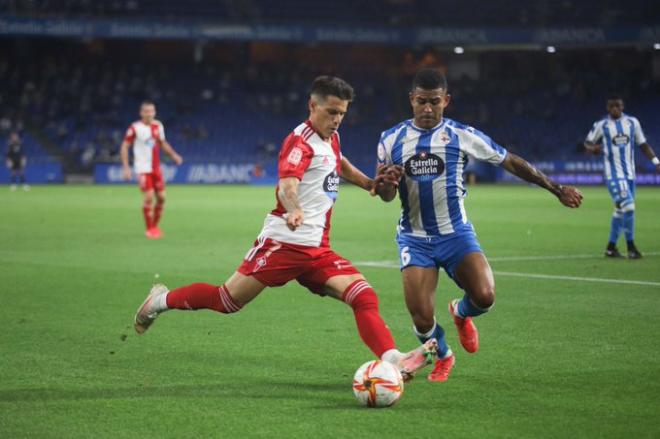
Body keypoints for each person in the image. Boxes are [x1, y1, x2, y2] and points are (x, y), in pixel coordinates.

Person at [133, 76, 437, 380]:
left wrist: (368, 184)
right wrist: (294, 211)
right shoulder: (299, 142)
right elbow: (287, 186)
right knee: (225, 301)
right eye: (332, 112)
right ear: (312, 105)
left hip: (316, 249)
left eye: (342, 113)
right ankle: (159, 300)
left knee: (363, 295)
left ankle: (393, 358)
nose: (337, 120)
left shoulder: (331, 136)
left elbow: (338, 162)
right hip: (284, 244)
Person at [373, 68, 583, 382]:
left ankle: (460, 313)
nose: (428, 109)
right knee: (421, 318)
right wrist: (388, 182)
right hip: (414, 238)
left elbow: (508, 160)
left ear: (447, 100)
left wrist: (555, 188)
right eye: (421, 102)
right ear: (411, 101)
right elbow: (386, 195)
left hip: (456, 234)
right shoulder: (390, 139)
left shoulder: (461, 135)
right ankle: (444, 355)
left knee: (485, 296)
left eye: (435, 102)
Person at [584, 94, 660, 259]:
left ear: (623, 106)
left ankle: (610, 248)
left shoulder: (633, 122)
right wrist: (592, 149)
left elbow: (643, 144)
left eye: (618, 106)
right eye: (612, 106)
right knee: (629, 206)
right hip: (613, 175)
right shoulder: (601, 125)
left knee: (620, 210)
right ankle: (631, 247)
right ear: (608, 108)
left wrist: (656, 161)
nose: (615, 109)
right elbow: (587, 142)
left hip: (630, 175)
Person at [120, 101, 183, 239]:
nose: (149, 114)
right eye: (146, 111)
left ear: (154, 112)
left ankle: (154, 226)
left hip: (156, 168)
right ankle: (149, 229)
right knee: (149, 197)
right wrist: (126, 167)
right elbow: (125, 146)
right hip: (142, 168)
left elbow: (162, 143)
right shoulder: (135, 128)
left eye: (151, 111)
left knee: (161, 198)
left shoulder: (158, 125)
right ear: (141, 113)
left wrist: (174, 155)